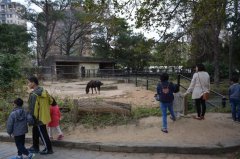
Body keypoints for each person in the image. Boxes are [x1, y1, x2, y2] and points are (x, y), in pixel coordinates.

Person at [27, 76, 53, 155]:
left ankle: (48, 149)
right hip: (44, 115)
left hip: (38, 117)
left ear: (33, 83)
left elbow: (32, 108)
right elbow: (51, 101)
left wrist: (31, 117)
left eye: (28, 82)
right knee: (35, 131)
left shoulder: (34, 94)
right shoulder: (44, 91)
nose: (28, 84)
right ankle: (35, 147)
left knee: (42, 133)